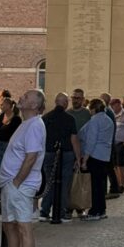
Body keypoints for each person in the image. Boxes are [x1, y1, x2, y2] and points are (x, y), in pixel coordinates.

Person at [0, 89, 47, 247]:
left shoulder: (34, 125)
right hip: (12, 184)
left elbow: (31, 156)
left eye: (27, 97)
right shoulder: (25, 123)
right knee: (10, 226)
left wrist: (17, 181)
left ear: (34, 105)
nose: (22, 97)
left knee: (23, 227)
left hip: (21, 185)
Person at [39, 92, 81, 222]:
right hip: (67, 154)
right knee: (64, 184)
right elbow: (74, 139)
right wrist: (78, 157)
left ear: (55, 102)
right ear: (65, 103)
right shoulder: (70, 118)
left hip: (50, 152)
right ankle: (61, 212)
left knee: (49, 182)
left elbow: (41, 138)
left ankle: (45, 211)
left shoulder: (46, 118)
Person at [79, 98, 115, 220]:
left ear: (93, 109)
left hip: (94, 155)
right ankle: (101, 209)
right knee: (100, 184)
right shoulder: (108, 120)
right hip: (105, 156)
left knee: (94, 185)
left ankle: (95, 211)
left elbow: (91, 140)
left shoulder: (95, 120)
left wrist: (85, 159)